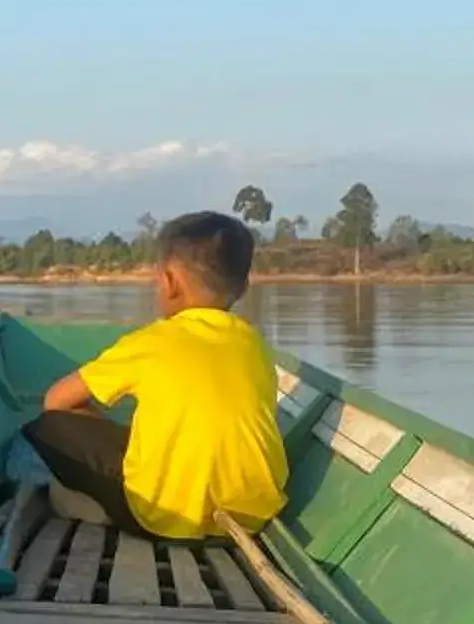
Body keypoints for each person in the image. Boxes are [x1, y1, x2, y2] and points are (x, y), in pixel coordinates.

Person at [25, 209, 287, 539]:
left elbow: (56, 400)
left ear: (169, 282)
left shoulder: (151, 342)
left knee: (50, 426)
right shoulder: (256, 346)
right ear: (244, 286)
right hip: (251, 518)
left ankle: (94, 510)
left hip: (164, 520)